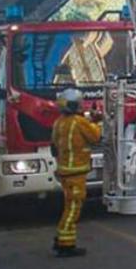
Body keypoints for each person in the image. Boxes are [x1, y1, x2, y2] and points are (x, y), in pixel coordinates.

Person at [51, 88, 102, 258]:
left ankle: (64, 239)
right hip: (76, 172)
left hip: (65, 171)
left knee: (69, 205)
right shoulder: (79, 122)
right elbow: (95, 137)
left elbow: (54, 146)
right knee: (73, 208)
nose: (82, 106)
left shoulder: (59, 122)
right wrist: (97, 122)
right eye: (79, 103)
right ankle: (64, 244)